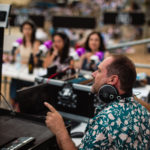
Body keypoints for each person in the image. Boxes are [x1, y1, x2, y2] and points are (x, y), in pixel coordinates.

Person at [44, 54, 150, 150]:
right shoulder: (143, 112)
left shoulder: (107, 120)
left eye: (99, 71)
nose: (93, 74)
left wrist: (61, 131)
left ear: (112, 80)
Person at [10, 20, 41, 110]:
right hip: (20, 70)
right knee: (14, 80)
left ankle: (19, 107)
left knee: (21, 86)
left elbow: (34, 61)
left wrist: (22, 61)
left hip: (29, 72)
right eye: (24, 29)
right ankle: (12, 106)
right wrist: (12, 56)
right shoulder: (20, 42)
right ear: (22, 30)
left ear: (32, 30)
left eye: (29, 29)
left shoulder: (36, 43)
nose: (26, 31)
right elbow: (15, 58)